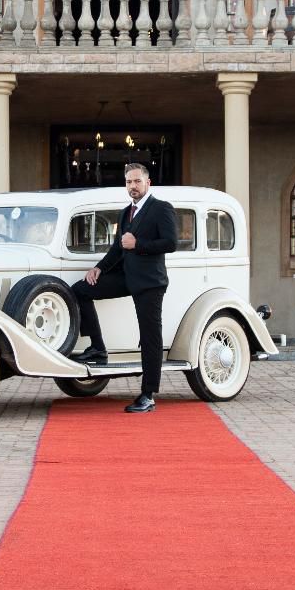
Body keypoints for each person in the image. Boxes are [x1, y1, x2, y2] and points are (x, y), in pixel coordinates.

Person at [72, 163, 178, 413]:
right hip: (126, 277)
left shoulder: (161, 208)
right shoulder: (125, 213)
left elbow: (171, 243)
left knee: (150, 335)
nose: (133, 186)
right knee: (80, 289)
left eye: (137, 182)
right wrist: (99, 268)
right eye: (129, 182)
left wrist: (138, 243)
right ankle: (98, 348)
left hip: (150, 283)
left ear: (148, 183)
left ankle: (148, 395)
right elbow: (119, 248)